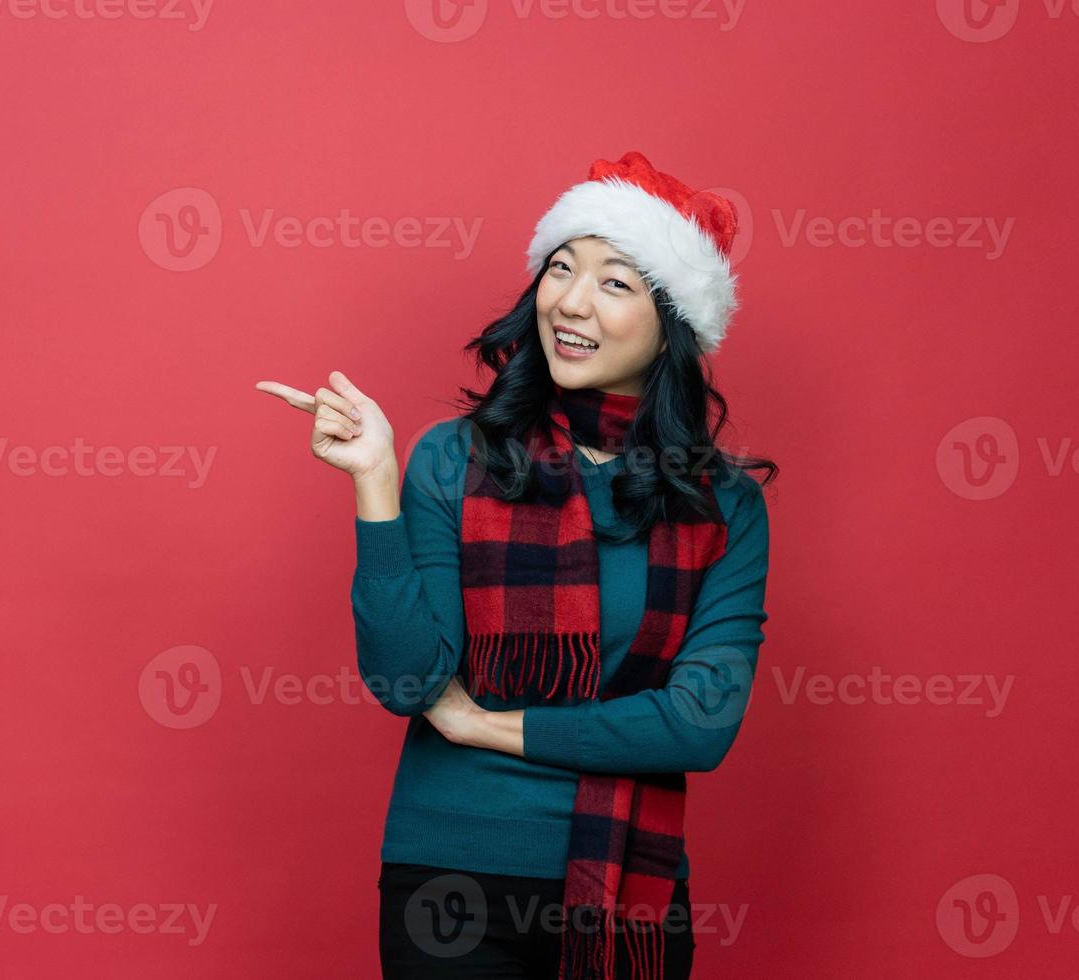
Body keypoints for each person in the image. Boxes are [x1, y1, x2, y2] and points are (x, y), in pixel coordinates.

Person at [257, 151, 776, 979]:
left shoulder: (724, 511)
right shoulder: (452, 461)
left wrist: (487, 725)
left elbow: (697, 725)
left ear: (672, 320)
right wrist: (375, 484)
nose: (570, 301)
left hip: (630, 898)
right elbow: (407, 681)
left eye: (615, 283)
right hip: (452, 885)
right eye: (561, 268)